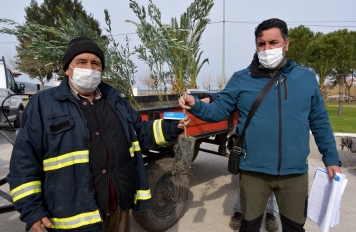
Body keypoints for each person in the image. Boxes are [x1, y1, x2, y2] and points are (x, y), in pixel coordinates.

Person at [7, 37, 190, 232]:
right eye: (81, 62)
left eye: (95, 63)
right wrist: (31, 209)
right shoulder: (43, 105)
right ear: (67, 69)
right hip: (73, 219)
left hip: (118, 210)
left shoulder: (116, 101)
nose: (89, 68)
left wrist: (173, 126)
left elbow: (141, 133)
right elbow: (23, 161)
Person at [179, 18, 341, 232]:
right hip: (253, 172)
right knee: (249, 227)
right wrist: (196, 105)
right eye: (261, 44)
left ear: (286, 44)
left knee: (295, 227)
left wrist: (331, 159)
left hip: (294, 174)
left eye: (273, 42)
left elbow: (320, 121)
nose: (267, 49)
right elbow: (218, 111)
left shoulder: (306, 78)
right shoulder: (240, 79)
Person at [202, 94, 279, 232]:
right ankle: (239, 210)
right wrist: (210, 98)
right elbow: (231, 94)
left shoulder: (281, 87)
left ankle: (271, 213)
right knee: (244, 181)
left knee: (274, 178)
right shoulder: (250, 81)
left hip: (275, 140)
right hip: (251, 142)